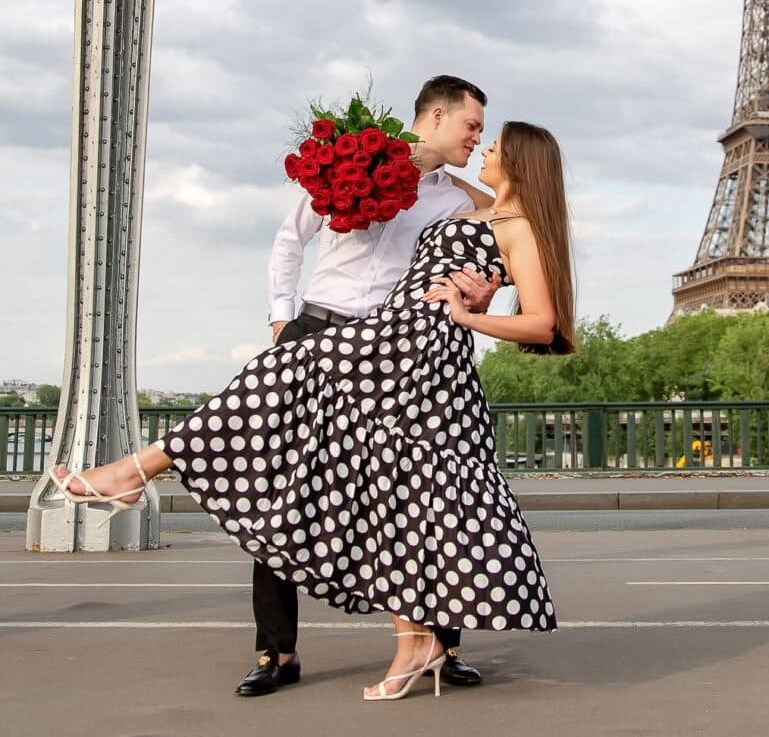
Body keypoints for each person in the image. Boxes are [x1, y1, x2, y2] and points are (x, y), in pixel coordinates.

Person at [51, 120, 575, 703]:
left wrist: (472, 311)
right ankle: (411, 642)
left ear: (520, 165)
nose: (484, 146)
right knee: (395, 490)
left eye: (495, 144)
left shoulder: (520, 226)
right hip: (389, 338)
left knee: (273, 383)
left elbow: (543, 322)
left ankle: (134, 472)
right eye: (477, 130)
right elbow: (446, 180)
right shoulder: (472, 204)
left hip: (413, 348)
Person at [248, 75, 494, 696]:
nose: (478, 139)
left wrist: (449, 182)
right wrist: (282, 320)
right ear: (436, 115)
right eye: (471, 127)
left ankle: (440, 645)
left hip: (392, 350)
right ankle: (276, 653)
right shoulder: (349, 159)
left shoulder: (453, 200)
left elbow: (513, 219)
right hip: (313, 329)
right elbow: (288, 240)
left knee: (424, 490)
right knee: (279, 488)